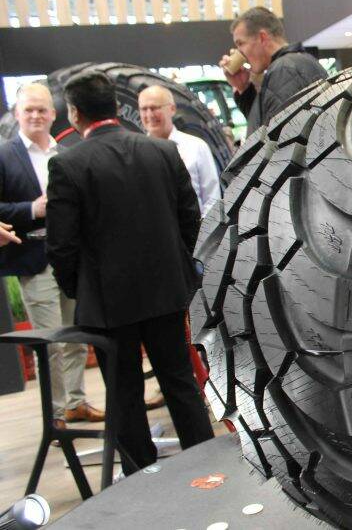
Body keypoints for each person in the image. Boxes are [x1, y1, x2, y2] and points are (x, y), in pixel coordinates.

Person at [46, 71, 215, 474]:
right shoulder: (163, 152)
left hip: (107, 302)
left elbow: (61, 245)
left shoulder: (68, 164)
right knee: (180, 382)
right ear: (115, 107)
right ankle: (208, 469)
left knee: (123, 394)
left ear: (74, 113)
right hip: (166, 291)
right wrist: (180, 272)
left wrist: (79, 290)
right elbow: (191, 220)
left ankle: (142, 476)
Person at [0, 84, 104, 432]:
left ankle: (75, 403)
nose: (35, 115)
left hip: (71, 259)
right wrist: (32, 209)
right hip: (33, 259)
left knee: (77, 336)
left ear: (53, 114)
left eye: (42, 109)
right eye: (29, 109)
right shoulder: (5, 155)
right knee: (51, 343)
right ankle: (56, 415)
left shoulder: (66, 153)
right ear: (17, 113)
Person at [219, 6, 327, 136]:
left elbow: (277, 140)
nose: (239, 53)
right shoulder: (295, 63)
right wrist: (244, 89)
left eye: (240, 43)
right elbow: (263, 128)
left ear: (262, 38)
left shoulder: (284, 69)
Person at [139, 85, 221, 216]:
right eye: (144, 109)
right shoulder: (137, 153)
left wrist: (202, 228)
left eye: (155, 108)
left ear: (172, 109)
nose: (149, 114)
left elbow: (212, 199)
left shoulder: (197, 147)